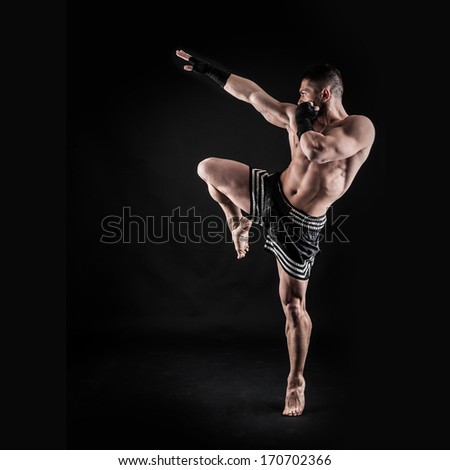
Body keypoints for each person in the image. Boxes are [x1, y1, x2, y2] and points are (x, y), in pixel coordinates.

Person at [175, 49, 375, 417]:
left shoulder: (358, 128)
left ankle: (295, 381)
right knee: (208, 169)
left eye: (303, 93)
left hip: (301, 227)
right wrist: (210, 71)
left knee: (294, 307)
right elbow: (253, 96)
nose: (298, 99)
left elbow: (317, 152)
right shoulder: (294, 117)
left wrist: (300, 119)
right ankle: (239, 221)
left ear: (324, 95)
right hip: (272, 194)